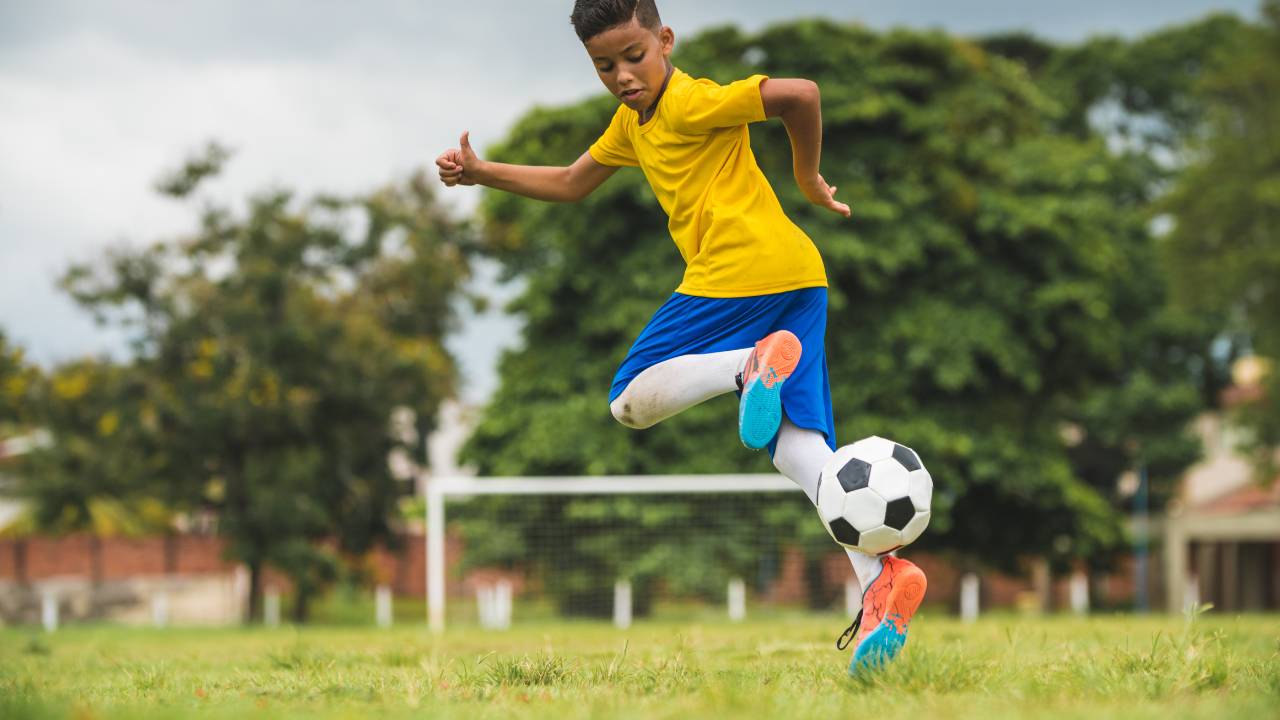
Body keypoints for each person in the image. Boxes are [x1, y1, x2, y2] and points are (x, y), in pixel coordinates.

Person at [435, 0, 925, 676]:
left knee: (628, 398)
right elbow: (575, 181)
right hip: (799, 277)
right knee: (798, 449)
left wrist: (807, 177)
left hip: (736, 276)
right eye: (604, 65)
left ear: (665, 40)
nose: (623, 76)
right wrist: (482, 171)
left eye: (634, 57)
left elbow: (800, 95)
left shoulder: (694, 102)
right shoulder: (632, 125)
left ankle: (746, 369)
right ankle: (883, 582)